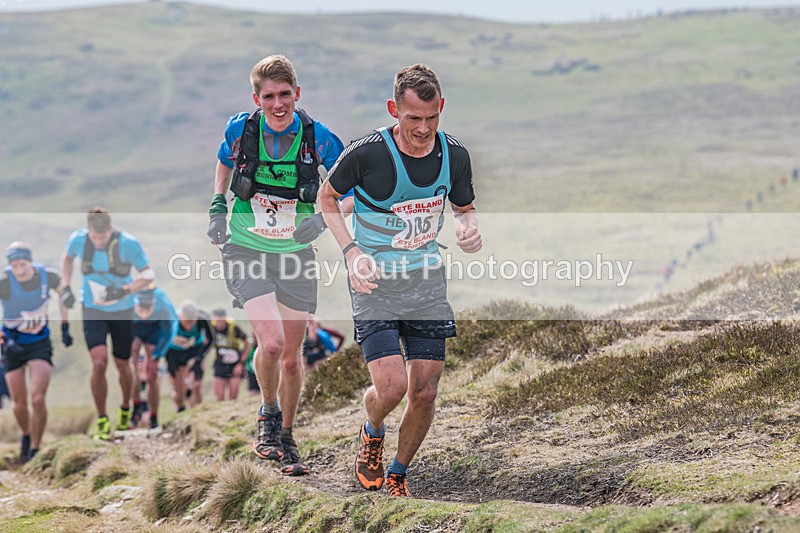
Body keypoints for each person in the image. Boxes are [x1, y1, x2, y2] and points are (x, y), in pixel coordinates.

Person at [319, 64, 482, 497]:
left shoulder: (455, 155)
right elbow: (326, 198)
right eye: (413, 119)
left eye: (432, 118)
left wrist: (468, 227)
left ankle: (398, 473)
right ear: (395, 109)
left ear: (441, 108)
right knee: (391, 389)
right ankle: (372, 430)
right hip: (374, 282)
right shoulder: (367, 153)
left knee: (424, 392)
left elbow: (464, 207)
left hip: (426, 281)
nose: (423, 129)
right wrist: (352, 253)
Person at [207, 54, 344, 476]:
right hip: (246, 248)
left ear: (297, 94)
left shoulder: (319, 139)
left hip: (295, 254)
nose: (278, 103)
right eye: (269, 96)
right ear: (257, 98)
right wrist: (217, 205)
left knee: (291, 357)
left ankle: (285, 435)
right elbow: (225, 164)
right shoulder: (241, 130)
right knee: (270, 344)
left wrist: (321, 219)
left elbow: (351, 188)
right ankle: (267, 418)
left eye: (285, 94)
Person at [60, 207, 154, 441]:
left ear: (110, 230)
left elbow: (148, 275)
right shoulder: (78, 239)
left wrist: (124, 289)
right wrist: (65, 286)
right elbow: (67, 259)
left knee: (123, 364)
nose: (99, 241)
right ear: (88, 231)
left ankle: (125, 410)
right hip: (92, 308)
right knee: (99, 363)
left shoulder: (128, 243)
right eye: (95, 237)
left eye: (103, 237)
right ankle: (102, 419)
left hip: (121, 310)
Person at [1, 242, 72, 462]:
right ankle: (25, 434)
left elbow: (64, 293)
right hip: (12, 344)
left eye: (22, 264)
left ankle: (35, 448)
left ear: (30, 262)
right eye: (14, 265)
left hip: (39, 343)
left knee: (38, 399)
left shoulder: (47, 276)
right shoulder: (5, 282)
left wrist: (64, 326)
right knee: (19, 403)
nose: (19, 270)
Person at [131, 287, 177, 429]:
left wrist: (157, 354)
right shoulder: (130, 302)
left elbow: (168, 332)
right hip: (136, 329)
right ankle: (136, 406)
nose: (144, 312)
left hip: (156, 332)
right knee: (132, 366)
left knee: (152, 374)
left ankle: (153, 415)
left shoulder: (163, 305)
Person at [164, 301, 212, 412]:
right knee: (180, 392)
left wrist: (199, 357)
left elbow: (211, 339)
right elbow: (161, 339)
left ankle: (198, 412)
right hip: (174, 353)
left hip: (194, 351)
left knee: (196, 385)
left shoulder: (202, 320)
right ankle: (180, 407)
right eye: (186, 322)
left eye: (192, 322)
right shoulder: (171, 320)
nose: (189, 326)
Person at [210, 308, 250, 401]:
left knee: (233, 397)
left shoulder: (233, 328)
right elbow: (205, 343)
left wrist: (241, 363)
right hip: (220, 364)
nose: (219, 322)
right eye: (217, 320)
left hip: (235, 364)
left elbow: (247, 344)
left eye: (221, 319)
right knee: (219, 398)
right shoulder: (212, 330)